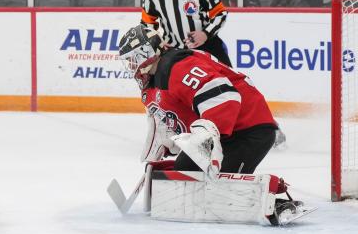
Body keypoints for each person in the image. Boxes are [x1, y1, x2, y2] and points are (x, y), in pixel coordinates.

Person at [118, 24, 278, 175]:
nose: (131, 66)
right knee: (184, 170)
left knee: (217, 189)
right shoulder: (155, 79)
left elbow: (223, 96)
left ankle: (274, 203)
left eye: (132, 59)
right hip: (226, 132)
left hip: (248, 129)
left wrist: (204, 135)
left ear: (146, 53)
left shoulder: (178, 66)